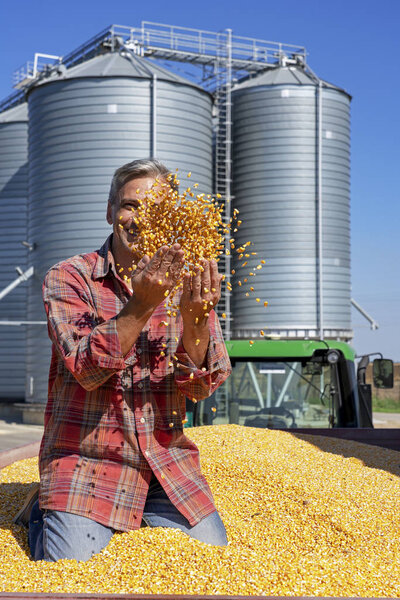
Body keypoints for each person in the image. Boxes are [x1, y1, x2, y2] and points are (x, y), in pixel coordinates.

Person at [14, 159, 231, 562]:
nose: (140, 220)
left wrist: (196, 320)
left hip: (165, 468)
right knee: (75, 571)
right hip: (85, 466)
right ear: (110, 210)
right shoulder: (71, 277)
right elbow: (86, 369)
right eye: (131, 206)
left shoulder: (186, 282)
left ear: (173, 219)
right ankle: (43, 511)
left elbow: (203, 385)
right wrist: (143, 304)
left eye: (156, 211)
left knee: (214, 561)